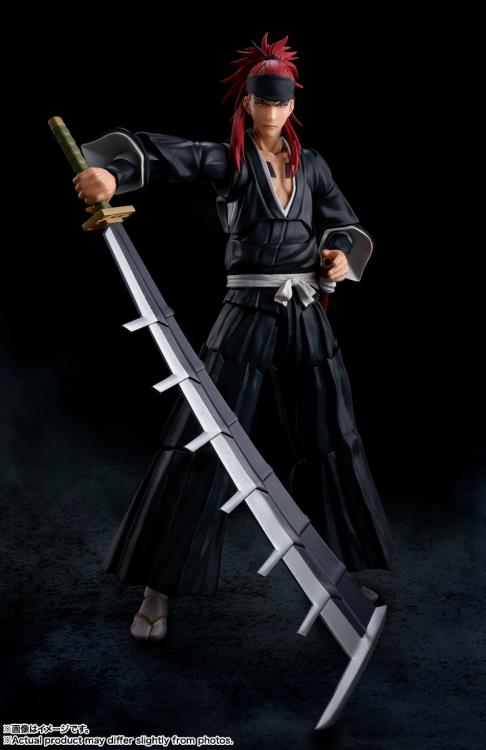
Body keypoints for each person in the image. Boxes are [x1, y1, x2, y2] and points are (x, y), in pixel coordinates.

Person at [73, 33, 392, 641]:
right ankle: (158, 590)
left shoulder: (312, 165)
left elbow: (344, 223)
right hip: (247, 306)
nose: (272, 110)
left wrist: (336, 255)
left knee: (330, 432)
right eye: (262, 100)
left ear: (293, 105)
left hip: (304, 308)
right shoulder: (231, 160)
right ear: (248, 102)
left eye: (281, 101)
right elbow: (167, 156)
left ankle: (339, 576)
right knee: (206, 435)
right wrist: (111, 175)